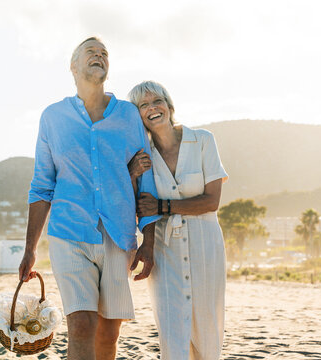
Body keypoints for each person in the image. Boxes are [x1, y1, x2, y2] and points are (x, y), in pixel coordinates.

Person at [18, 37, 160, 360]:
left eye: (104, 53)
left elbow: (146, 179)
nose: (99, 56)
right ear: (73, 67)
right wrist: (29, 249)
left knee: (109, 333)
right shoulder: (52, 118)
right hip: (69, 234)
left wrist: (148, 239)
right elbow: (41, 187)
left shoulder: (127, 115)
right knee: (81, 325)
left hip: (117, 235)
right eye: (90, 52)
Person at [128, 80, 228, 360]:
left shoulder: (203, 140)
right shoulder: (141, 155)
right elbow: (136, 204)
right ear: (138, 116)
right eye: (143, 105)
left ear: (169, 106)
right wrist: (132, 173)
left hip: (205, 244)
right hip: (164, 248)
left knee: (207, 323)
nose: (152, 108)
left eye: (156, 101)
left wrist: (163, 205)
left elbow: (211, 201)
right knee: (171, 326)